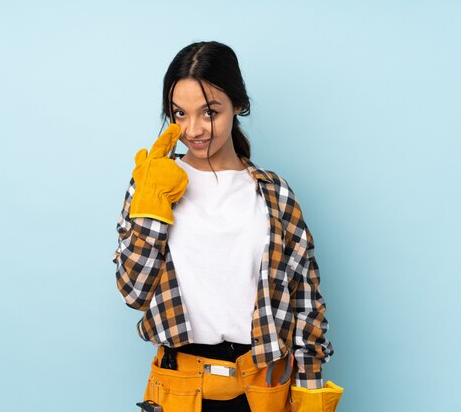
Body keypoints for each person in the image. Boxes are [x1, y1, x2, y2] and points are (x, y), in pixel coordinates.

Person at [112, 41, 343, 412]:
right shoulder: (152, 181)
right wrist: (153, 205)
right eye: (179, 114)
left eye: (209, 112)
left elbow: (306, 302)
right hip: (181, 386)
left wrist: (310, 393)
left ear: (238, 105)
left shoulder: (274, 195)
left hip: (264, 386)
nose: (194, 129)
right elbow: (134, 292)